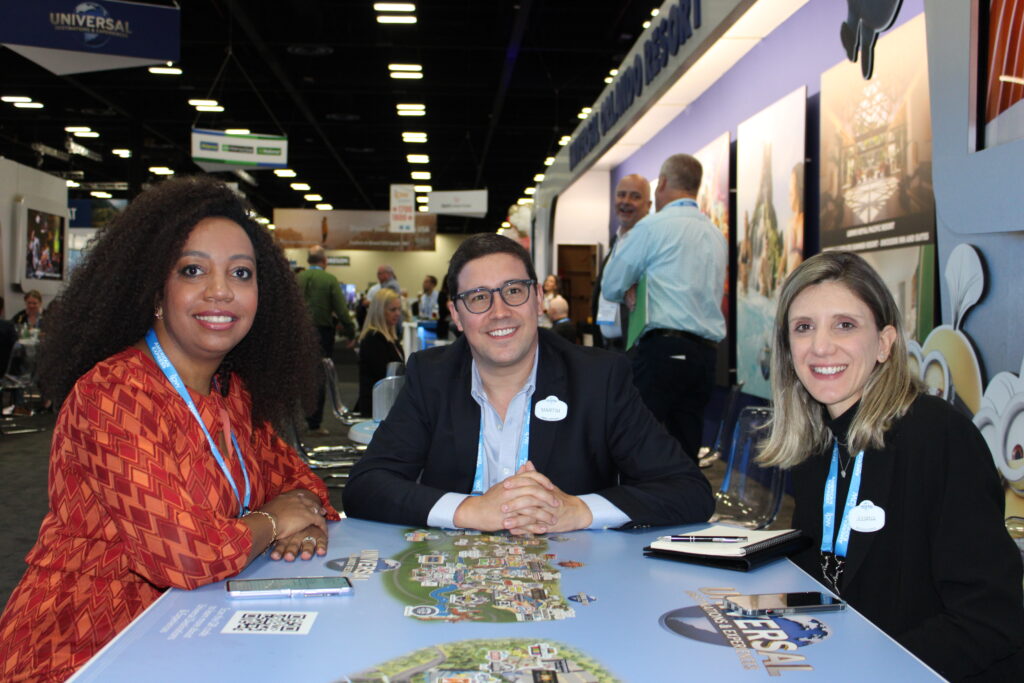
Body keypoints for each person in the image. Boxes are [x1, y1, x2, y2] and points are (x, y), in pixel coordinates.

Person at [0, 176, 340, 682]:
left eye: (241, 273)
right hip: (86, 648)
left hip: (192, 632)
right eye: (193, 270)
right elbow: (187, 554)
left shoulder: (232, 393)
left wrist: (303, 518)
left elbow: (301, 484)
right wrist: (271, 522)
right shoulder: (114, 393)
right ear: (155, 289)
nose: (220, 291)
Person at [758, 251, 1024, 681]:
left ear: (884, 343)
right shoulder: (815, 444)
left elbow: (989, 619)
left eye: (845, 325)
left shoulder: (940, 438)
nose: (821, 346)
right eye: (803, 328)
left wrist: (865, 670)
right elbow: (825, 572)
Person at [344, 233, 713, 534]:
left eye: (514, 291)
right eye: (478, 298)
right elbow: (366, 486)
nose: (499, 311)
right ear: (455, 315)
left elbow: (689, 491)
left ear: (537, 298)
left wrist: (578, 510)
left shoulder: (598, 378)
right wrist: (471, 511)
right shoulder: (431, 375)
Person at [601, 154, 726, 463]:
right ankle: (684, 510)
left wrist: (633, 285)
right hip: (705, 356)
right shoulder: (715, 234)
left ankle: (639, 507)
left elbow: (612, 284)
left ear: (664, 183)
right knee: (686, 444)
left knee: (635, 436)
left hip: (663, 351)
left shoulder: (653, 227)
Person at [297, 245, 355, 435]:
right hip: (321, 334)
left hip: (298, 333)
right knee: (319, 375)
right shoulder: (330, 280)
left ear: (308, 261)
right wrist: (351, 332)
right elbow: (341, 310)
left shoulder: (298, 278)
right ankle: (315, 423)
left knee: (300, 374)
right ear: (324, 261)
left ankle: (296, 420)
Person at [591, 174, 651, 351]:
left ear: (648, 205)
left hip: (635, 349)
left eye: (635, 196)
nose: (626, 201)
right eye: (621, 195)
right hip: (609, 348)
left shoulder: (650, 242)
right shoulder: (616, 242)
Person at [355, 288, 405, 416]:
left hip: (387, 401)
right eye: (393, 310)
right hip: (377, 406)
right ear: (380, 312)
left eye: (399, 309)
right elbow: (383, 375)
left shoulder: (389, 337)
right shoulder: (373, 338)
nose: (398, 313)